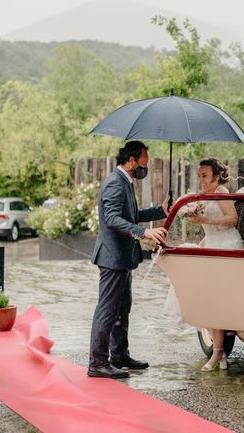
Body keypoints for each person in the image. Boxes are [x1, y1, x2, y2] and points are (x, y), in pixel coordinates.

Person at [88, 141, 169, 379]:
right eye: (144, 160)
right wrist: (144, 233)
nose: (146, 166)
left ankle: (119, 355)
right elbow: (112, 218)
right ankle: (97, 362)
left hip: (123, 257)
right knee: (108, 310)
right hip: (112, 257)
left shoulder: (125, 182)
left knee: (123, 309)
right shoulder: (115, 182)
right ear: (132, 160)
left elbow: (133, 216)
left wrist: (161, 210)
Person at [186, 157, 242, 371]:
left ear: (216, 176)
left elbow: (232, 219)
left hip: (227, 248)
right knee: (204, 300)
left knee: (214, 302)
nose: (201, 179)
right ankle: (220, 353)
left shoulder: (221, 192)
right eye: (199, 175)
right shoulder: (204, 197)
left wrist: (205, 221)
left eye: (205, 175)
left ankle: (218, 354)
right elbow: (210, 232)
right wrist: (199, 243)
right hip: (212, 246)